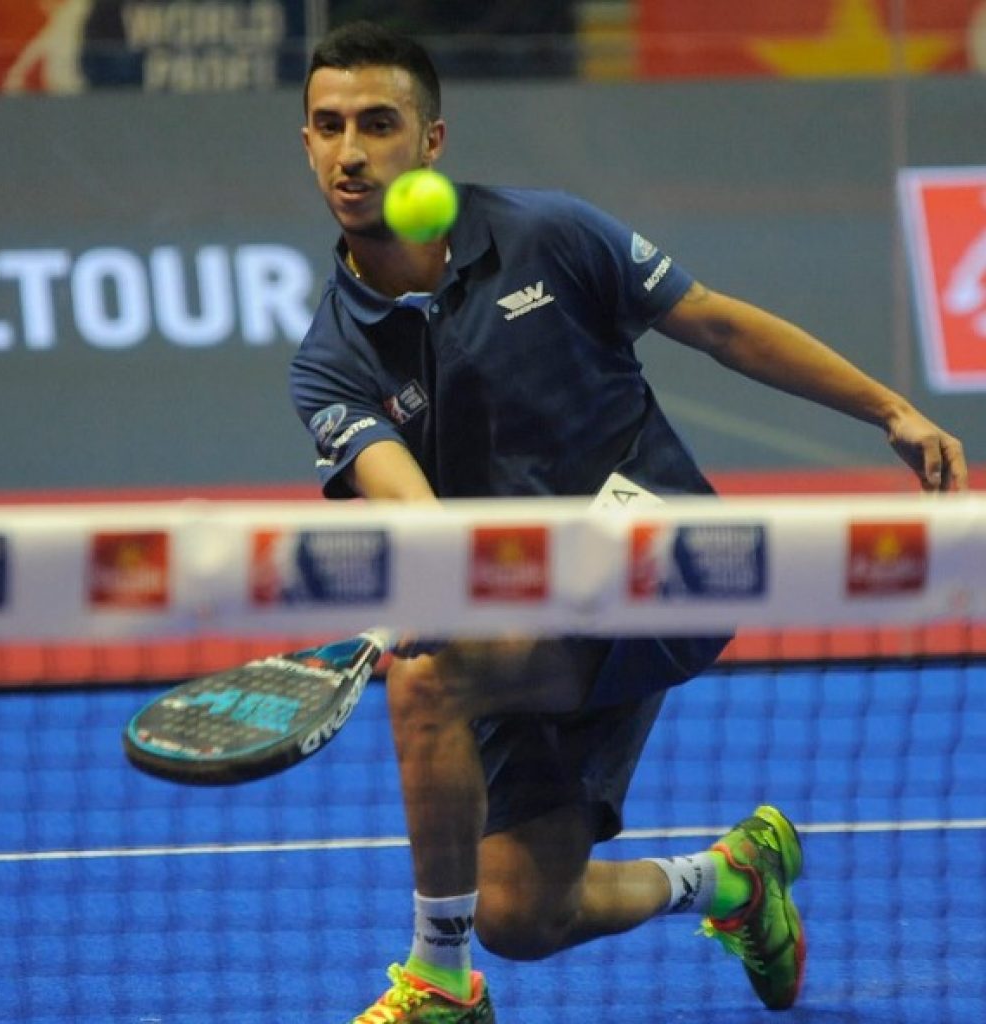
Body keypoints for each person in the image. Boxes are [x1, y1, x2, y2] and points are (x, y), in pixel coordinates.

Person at [289, 21, 969, 1024]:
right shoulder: (331, 360)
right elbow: (413, 508)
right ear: (305, 140)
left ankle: (438, 980)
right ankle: (732, 879)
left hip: (666, 567)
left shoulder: (548, 235)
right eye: (328, 125)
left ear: (430, 140)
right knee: (525, 912)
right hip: (521, 603)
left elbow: (721, 324)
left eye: (378, 123)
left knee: (426, 681)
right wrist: (440, 580)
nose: (350, 151)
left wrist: (890, 409)